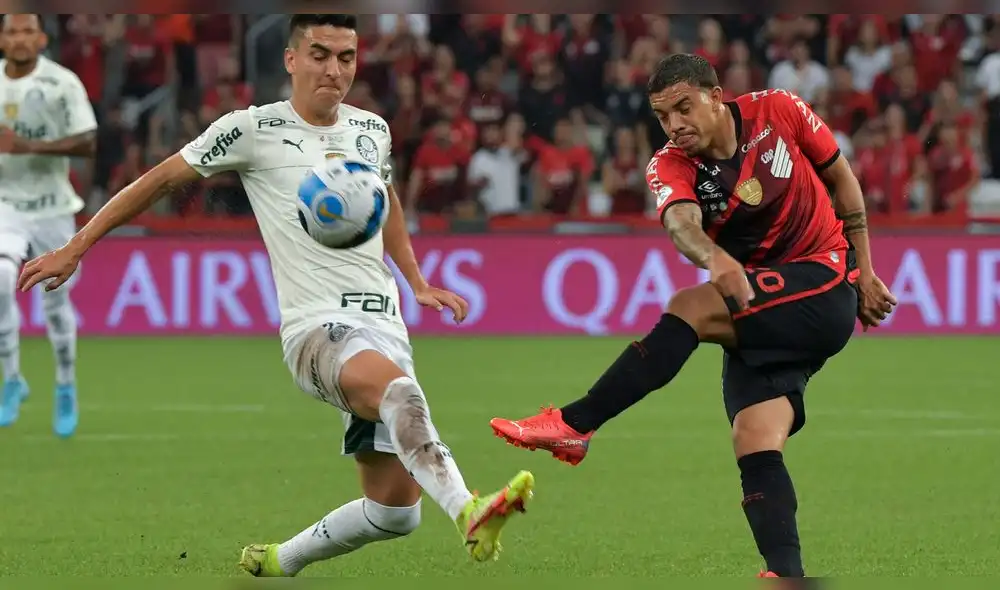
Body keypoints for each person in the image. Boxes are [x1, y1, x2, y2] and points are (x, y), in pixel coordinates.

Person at [18, 14, 534, 576]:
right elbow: (160, 180)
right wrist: (78, 244)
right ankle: (470, 510)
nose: (333, 70)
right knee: (401, 394)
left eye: (346, 58)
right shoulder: (251, 129)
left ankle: (279, 560)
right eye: (319, 54)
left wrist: (415, 280)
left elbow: (384, 200)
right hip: (317, 330)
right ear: (291, 59)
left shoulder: (372, 129)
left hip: (384, 328)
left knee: (394, 513)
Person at [490, 54, 897, 578]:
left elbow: (843, 181)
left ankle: (575, 422)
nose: (675, 124)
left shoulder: (779, 110)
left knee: (691, 307)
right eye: (663, 116)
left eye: (684, 107)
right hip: (763, 303)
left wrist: (865, 271)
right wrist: (713, 256)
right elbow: (681, 225)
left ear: (715, 95)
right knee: (754, 435)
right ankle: (788, 576)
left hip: (822, 278)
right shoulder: (669, 165)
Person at [0, 13, 98, 438]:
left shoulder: (62, 83)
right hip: (6, 203)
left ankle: (64, 384)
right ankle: (12, 377)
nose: (19, 39)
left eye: (27, 31)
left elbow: (88, 142)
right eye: (11, 31)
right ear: (2, 40)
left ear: (40, 39)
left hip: (53, 208)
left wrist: (27, 146)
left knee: (55, 305)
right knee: (2, 275)